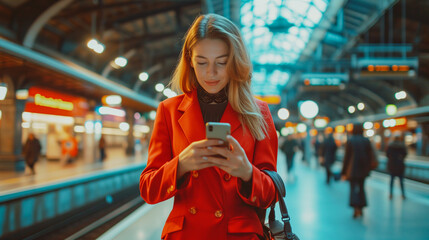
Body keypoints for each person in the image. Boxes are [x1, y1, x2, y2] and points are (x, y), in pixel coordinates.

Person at [139, 13, 278, 239]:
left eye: (221, 63)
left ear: (235, 61)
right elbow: (148, 190)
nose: (210, 73)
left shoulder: (258, 112)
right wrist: (181, 165)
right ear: (189, 60)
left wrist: (247, 173)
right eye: (202, 62)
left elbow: (271, 195)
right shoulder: (169, 110)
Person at [341, 123, 374, 218]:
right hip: (363, 170)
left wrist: (343, 172)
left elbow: (346, 158)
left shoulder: (350, 141)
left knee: (353, 189)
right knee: (362, 188)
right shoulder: (366, 140)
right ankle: (362, 207)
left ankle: (355, 209)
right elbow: (369, 156)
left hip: (352, 170)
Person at [386, 133, 407, 200]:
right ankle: (403, 194)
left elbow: (387, 154)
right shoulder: (402, 146)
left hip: (392, 165)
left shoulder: (390, 146)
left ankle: (391, 194)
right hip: (400, 165)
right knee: (401, 181)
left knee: (392, 180)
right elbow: (405, 154)